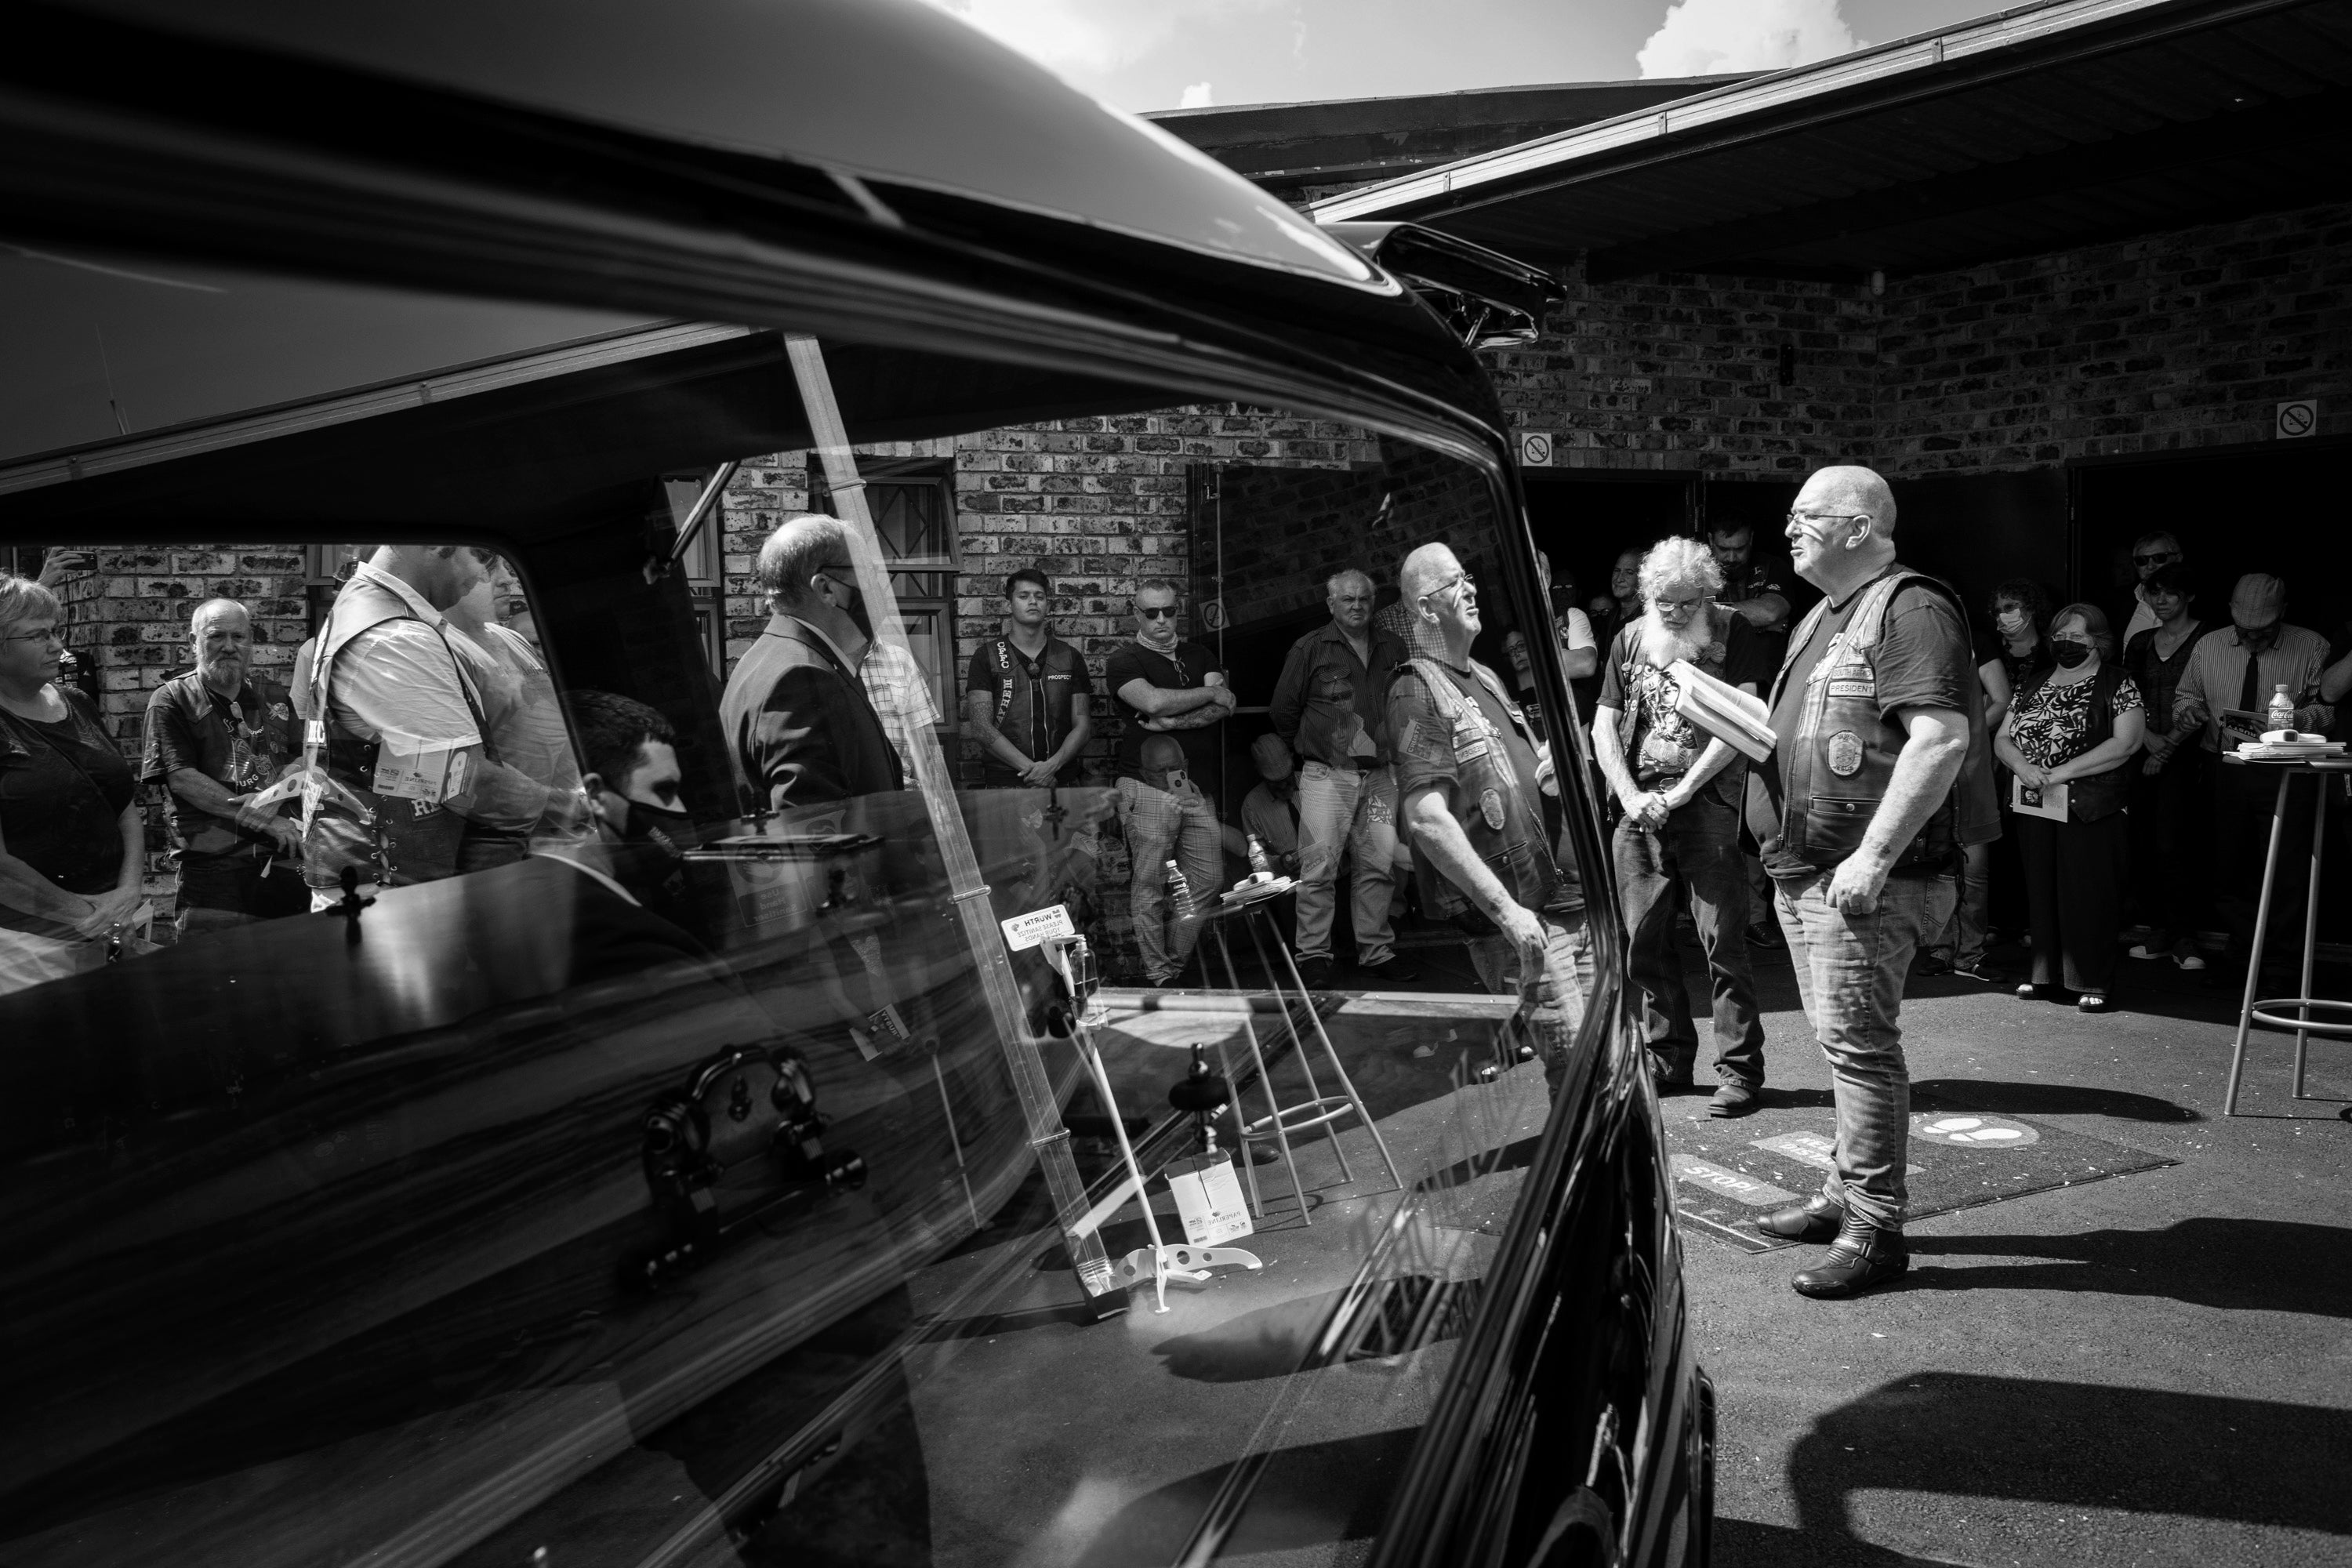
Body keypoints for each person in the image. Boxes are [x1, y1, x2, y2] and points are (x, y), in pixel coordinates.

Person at [1744, 466, 1990, 1299]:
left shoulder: (1912, 605)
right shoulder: (1826, 610)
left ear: (1857, 525)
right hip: (1806, 870)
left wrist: (1873, 857)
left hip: (1864, 880)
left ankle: (1876, 1227)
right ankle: (1842, 1193)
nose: (1788, 530)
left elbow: (1940, 739)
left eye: (1802, 516)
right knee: (1841, 1049)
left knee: (1860, 1049)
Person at [1388, 543, 1592, 1091]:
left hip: (1571, 903)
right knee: (1577, 1076)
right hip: (1527, 922)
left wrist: (1543, 767)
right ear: (1427, 609)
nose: (1473, 588)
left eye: (1470, 577)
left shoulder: (1485, 675)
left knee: (1608, 1061)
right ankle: (1588, 1175)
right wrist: (1507, 913)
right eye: (1457, 583)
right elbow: (1427, 820)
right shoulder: (1415, 688)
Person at [1590, 537, 1771, 1117]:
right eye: (1662, 601)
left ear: (1707, 594)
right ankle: (1668, 1058)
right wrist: (1628, 794)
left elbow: (1745, 717)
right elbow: (1603, 726)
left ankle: (1740, 1070)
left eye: (1685, 602)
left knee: (1724, 943)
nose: (1672, 612)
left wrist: (1686, 788)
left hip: (1707, 805)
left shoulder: (1733, 631)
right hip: (1639, 809)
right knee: (1645, 944)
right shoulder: (1630, 637)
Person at [306, 545, 589, 902]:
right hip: (392, 886)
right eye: (483, 557)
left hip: (397, 878)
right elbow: (464, 781)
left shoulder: (377, 612)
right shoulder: (395, 636)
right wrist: (578, 808)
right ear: (437, 545)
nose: (488, 576)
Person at [2171, 573, 2336, 987]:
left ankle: (2282, 956)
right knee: (2228, 859)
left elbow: (2329, 710)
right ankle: (2245, 943)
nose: (2252, 638)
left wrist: (2293, 720)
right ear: (2231, 614)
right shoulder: (2209, 645)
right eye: (2245, 630)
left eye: (2262, 630)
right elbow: (2185, 695)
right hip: (2224, 766)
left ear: (2283, 612)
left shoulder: (2312, 646)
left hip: (2287, 769)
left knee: (2286, 863)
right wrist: (2188, 712)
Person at [0, 572, 151, 993]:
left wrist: (128, 890)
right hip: (26, 945)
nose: (58, 646)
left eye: (55, 631)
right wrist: (86, 914)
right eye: (37, 636)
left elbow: (122, 804)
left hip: (114, 924)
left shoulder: (78, 703)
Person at [1994, 604, 2145, 1012]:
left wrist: (2059, 772)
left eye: (2078, 637)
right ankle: (2044, 975)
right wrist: (2024, 768)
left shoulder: (2119, 682)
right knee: (2041, 891)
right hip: (2036, 802)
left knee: (2089, 892)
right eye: (2060, 636)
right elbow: (2004, 738)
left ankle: (2092, 979)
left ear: (2099, 641)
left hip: (2091, 806)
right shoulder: (2035, 682)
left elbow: (2126, 745)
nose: (2066, 643)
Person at [1269, 568, 1414, 988]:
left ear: (1373, 602)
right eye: (1347, 600)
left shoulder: (1393, 645)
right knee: (1318, 869)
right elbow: (1283, 711)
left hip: (1381, 775)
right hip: (1326, 775)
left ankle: (1376, 952)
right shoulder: (1310, 648)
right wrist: (1314, 750)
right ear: (1331, 604)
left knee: (1378, 867)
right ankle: (1314, 956)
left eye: (1363, 599)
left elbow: (1406, 701)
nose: (1356, 606)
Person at [140, 597, 308, 935]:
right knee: (212, 971)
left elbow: (303, 759)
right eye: (216, 636)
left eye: (239, 637)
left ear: (251, 643)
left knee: (289, 968)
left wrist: (272, 797)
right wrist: (266, 818)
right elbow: (183, 779)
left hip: (283, 857)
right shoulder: (172, 698)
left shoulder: (273, 694)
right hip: (214, 865)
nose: (229, 646)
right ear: (194, 642)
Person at [722, 515, 904, 812]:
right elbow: (816, 833)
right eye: (869, 573)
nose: (881, 587)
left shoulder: (771, 657)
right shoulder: (801, 678)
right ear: (826, 589)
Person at [1105, 580, 1233, 986]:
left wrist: (1173, 721)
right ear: (1135, 613)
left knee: (1209, 879)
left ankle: (1173, 965)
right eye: (1151, 613)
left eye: (1169, 611)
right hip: (1145, 786)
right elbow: (1153, 702)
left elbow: (1223, 707)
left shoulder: (1200, 653)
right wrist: (1206, 695)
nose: (1162, 620)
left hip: (1196, 788)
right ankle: (1161, 974)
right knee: (1149, 885)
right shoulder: (1124, 659)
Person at [443, 554, 583, 846]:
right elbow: (457, 769)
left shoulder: (509, 637)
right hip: (500, 837)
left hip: (566, 830)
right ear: (450, 574)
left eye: (507, 567)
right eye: (491, 568)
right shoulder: (442, 645)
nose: (507, 579)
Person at [2123, 564, 2218, 971]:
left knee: (2177, 844)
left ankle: (2185, 936)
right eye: (2154, 594)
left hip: (2192, 754)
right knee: (2143, 841)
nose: (2160, 601)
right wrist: (2147, 741)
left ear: (2189, 596)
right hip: (2140, 751)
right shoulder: (2141, 642)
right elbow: (2126, 697)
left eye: (2170, 594)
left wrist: (2167, 748)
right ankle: (2158, 928)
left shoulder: (2209, 639)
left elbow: (2208, 701)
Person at [966, 567, 1091, 789]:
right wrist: (1035, 773)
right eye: (1024, 596)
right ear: (1009, 605)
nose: (1033, 601)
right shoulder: (987, 657)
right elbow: (981, 727)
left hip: (1062, 780)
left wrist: (1052, 767)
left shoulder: (1070, 658)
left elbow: (1082, 724)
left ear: (1047, 605)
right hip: (1005, 783)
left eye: (1039, 596)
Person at [2118, 531, 2184, 644]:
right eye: (2142, 560)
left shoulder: (2195, 603)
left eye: (2159, 558)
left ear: (2178, 558)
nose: (2150, 566)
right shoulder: (2118, 602)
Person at [1588, 546, 1644, 655]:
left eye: (1629, 572)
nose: (1619, 579)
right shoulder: (1611, 618)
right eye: (1617, 571)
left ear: (1642, 578)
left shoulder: (1648, 619)